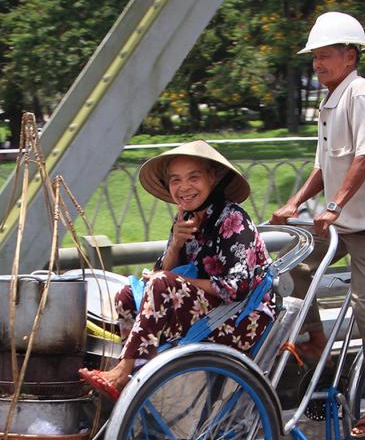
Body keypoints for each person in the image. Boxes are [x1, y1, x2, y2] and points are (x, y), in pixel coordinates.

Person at [270, 12, 365, 438]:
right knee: (291, 268)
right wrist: (295, 202)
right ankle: (317, 342)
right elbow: (324, 166)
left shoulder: (360, 93)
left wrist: (333, 205)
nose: (317, 65)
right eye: (314, 57)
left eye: (326, 56)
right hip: (344, 223)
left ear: (350, 56)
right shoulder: (330, 102)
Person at [79, 140, 273, 401]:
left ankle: (126, 371)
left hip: (241, 319)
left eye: (193, 177)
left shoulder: (233, 219)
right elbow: (160, 273)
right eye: (176, 180)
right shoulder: (186, 218)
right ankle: (137, 370)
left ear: (212, 178)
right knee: (126, 296)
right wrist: (176, 244)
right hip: (206, 310)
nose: (184, 187)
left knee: (162, 283)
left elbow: (236, 288)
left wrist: (176, 280)